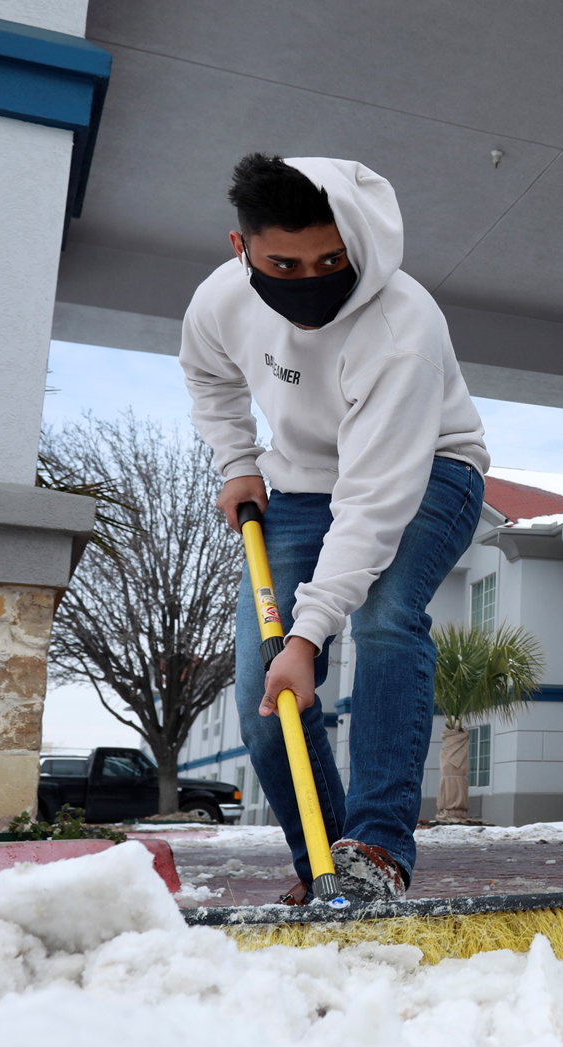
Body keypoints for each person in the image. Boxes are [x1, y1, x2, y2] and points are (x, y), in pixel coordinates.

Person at [180, 154, 490, 903]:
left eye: (331, 260)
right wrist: (235, 462)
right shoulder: (221, 301)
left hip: (428, 470)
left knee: (385, 617)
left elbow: (375, 500)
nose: (310, 278)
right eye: (282, 263)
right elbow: (209, 375)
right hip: (294, 484)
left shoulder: (400, 325)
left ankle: (376, 849)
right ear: (240, 248)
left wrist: (309, 634)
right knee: (264, 686)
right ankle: (322, 863)